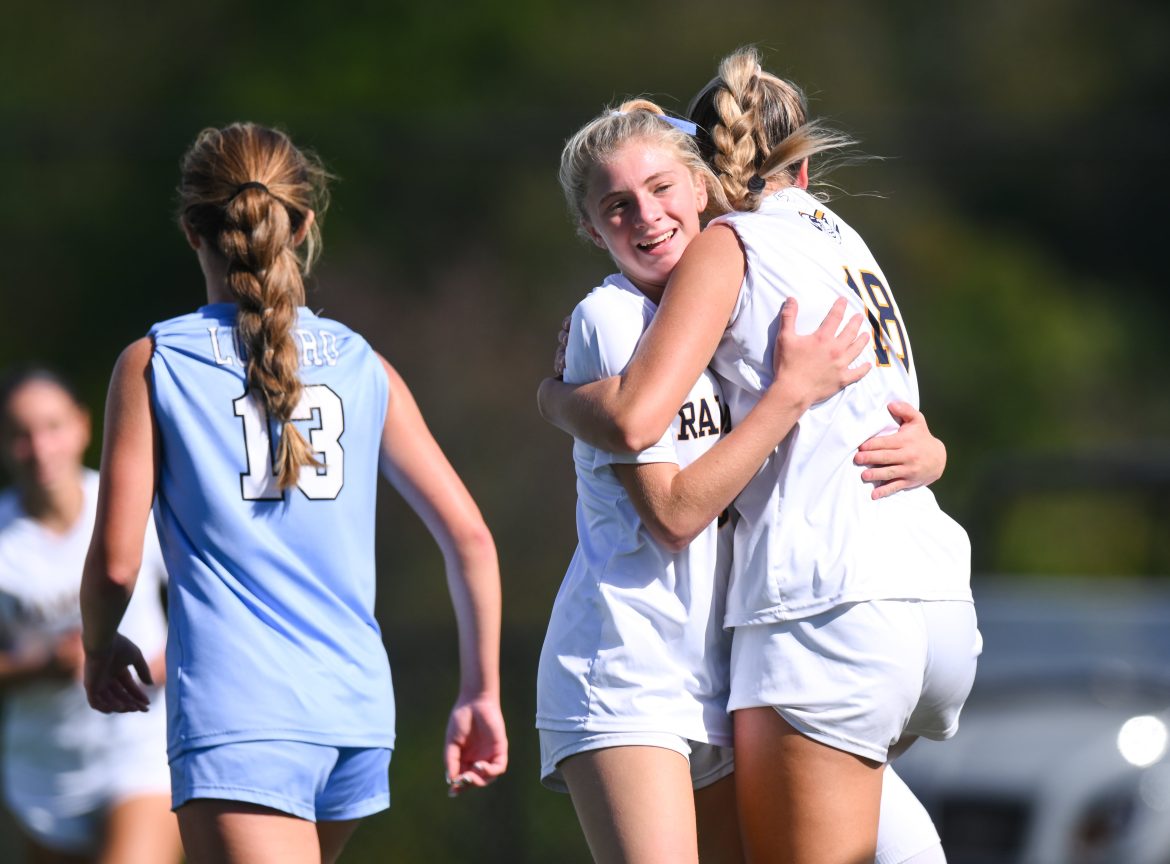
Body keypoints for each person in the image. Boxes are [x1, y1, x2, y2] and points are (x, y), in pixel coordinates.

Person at [539, 49, 980, 864]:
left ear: (703, 180)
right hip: (876, 615)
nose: (646, 216)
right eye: (617, 207)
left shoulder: (728, 256)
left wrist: (553, 401)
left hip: (819, 613)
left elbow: (642, 427)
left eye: (663, 187)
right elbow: (666, 477)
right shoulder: (823, 244)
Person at [79, 122, 507, 864]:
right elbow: (469, 537)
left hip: (239, 716)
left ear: (193, 231)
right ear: (303, 222)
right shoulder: (360, 361)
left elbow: (118, 567)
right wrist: (482, 692)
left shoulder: (154, 362)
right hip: (356, 716)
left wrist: (95, 645)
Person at [0, 368, 182, 864]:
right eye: (21, 434)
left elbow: (209, 595)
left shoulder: (129, 505)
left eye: (53, 427)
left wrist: (171, 662)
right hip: (45, 776)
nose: (40, 448)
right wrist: (43, 666)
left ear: (83, 426)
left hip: (141, 756)